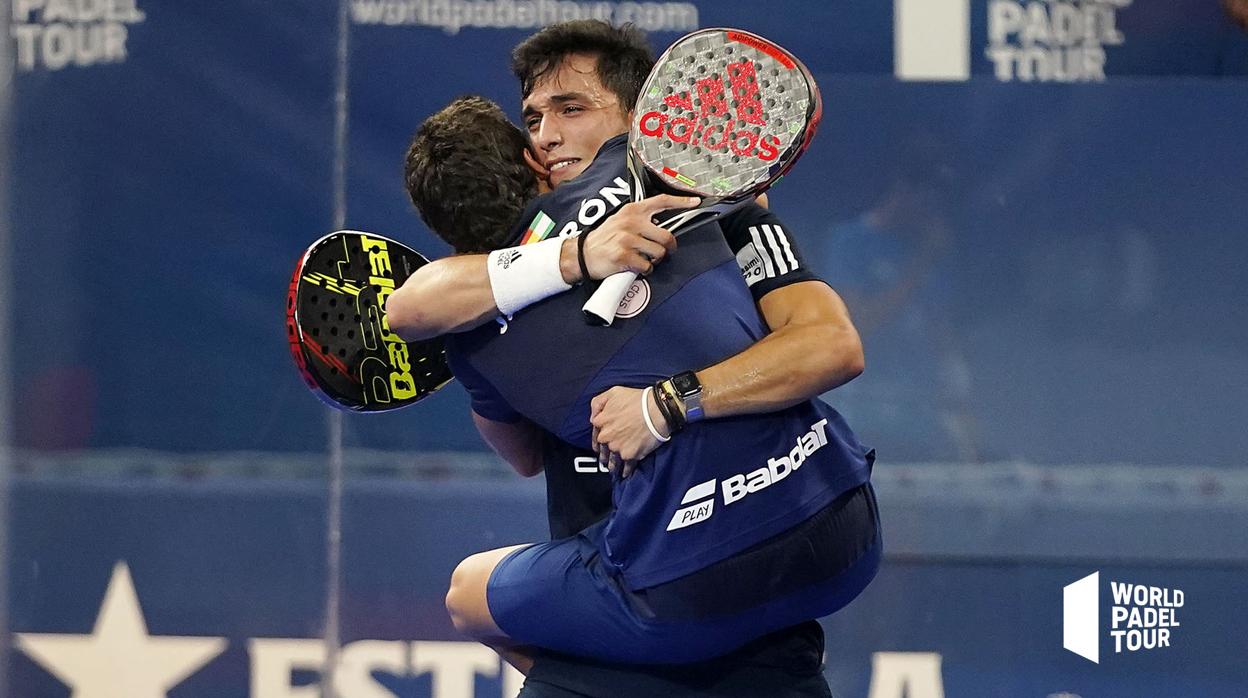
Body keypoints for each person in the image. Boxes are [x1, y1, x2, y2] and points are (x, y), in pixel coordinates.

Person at [390, 20, 878, 693]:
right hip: (621, 582)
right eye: (532, 117)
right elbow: (411, 303)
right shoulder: (483, 292)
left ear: (640, 117)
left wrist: (667, 403)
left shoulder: (716, 205)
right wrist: (577, 255)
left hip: (720, 574)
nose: (547, 134)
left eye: (571, 108)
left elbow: (831, 345)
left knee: (470, 597)